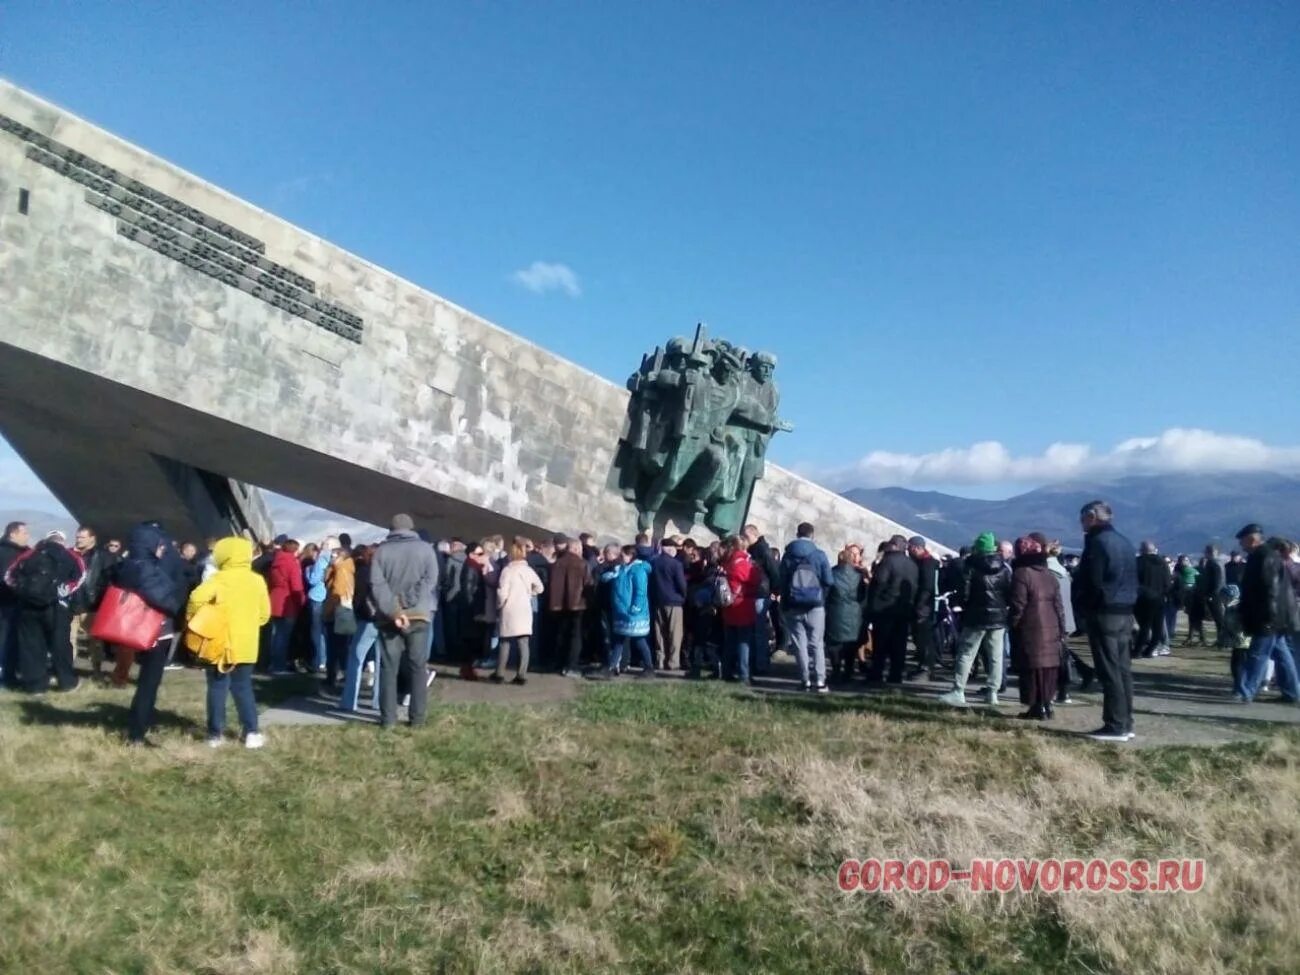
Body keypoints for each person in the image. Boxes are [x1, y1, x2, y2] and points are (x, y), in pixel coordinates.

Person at [185, 537, 271, 748]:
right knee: (243, 687)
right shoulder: (257, 580)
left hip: (219, 642)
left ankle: (215, 735)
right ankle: (251, 732)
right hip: (247, 645)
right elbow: (265, 615)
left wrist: (193, 618)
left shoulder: (218, 579)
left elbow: (196, 598)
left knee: (216, 687)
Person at [111, 523, 185, 745]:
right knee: (149, 682)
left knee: (140, 675)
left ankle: (139, 719)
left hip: (127, 627)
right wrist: (179, 608)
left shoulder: (125, 565)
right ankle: (137, 731)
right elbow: (167, 600)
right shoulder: (150, 568)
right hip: (155, 631)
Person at [1073, 501, 1138, 742]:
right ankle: (1126, 721)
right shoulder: (1124, 541)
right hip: (1125, 611)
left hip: (1104, 611)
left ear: (1091, 517)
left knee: (1108, 670)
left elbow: (1093, 580)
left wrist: (1085, 606)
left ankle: (1116, 724)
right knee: (1122, 670)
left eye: (1082, 520)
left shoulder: (1097, 543)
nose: (1081, 525)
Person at [368, 514, 440, 729]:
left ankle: (388, 719)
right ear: (411, 528)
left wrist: (394, 609)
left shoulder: (381, 551)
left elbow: (376, 585)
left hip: (389, 619)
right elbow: (430, 580)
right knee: (418, 667)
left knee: (389, 668)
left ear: (391, 529)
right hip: (419, 615)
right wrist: (408, 602)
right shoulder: (426, 550)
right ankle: (417, 719)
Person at [4, 530, 86, 693]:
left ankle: (35, 686)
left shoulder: (29, 554)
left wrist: (23, 592)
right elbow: (81, 576)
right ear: (62, 541)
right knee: (60, 645)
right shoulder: (71, 556)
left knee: (31, 646)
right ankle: (67, 682)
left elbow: (9, 576)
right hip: (56, 606)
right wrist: (62, 591)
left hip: (27, 607)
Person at [938, 532, 1011, 708]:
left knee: (966, 653)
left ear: (977, 548)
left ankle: (958, 690)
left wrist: (961, 605)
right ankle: (993, 692)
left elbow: (965, 593)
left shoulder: (970, 566)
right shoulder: (1004, 568)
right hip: (998, 618)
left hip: (975, 617)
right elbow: (1009, 593)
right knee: (996, 655)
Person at [1233, 524, 1300, 704]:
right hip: (1275, 615)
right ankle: (1292, 692)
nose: (1241, 545)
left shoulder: (1264, 557)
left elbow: (1270, 589)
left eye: (1243, 541)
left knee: (1258, 653)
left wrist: (1269, 617)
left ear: (1252, 540)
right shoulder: (1264, 556)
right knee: (1281, 654)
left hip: (1267, 615)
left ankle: (1245, 691)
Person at [1008, 534, 1067, 720]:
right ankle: (1047, 705)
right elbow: (1059, 605)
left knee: (1032, 670)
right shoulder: (1049, 575)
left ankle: (1036, 707)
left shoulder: (1022, 574)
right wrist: (1061, 628)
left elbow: (1018, 604)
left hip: (1031, 627)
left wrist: (1014, 624)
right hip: (1052, 626)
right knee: (1048, 669)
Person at [780, 522, 834, 692]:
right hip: (815, 605)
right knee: (816, 644)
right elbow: (829, 580)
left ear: (797, 534)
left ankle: (805, 680)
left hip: (793, 604)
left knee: (799, 644)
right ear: (812, 535)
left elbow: (782, 580)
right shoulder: (819, 555)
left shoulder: (788, 555)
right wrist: (820, 596)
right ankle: (820, 681)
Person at [864, 535, 919, 686]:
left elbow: (880, 582)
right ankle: (896, 674)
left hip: (885, 609)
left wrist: (873, 603)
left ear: (894, 545)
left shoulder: (887, 561)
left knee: (880, 643)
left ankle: (876, 674)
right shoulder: (912, 564)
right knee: (899, 644)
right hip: (904, 609)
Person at [494, 541, 544, 684]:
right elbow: (540, 588)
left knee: (505, 642)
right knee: (523, 642)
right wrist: (530, 593)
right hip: (524, 609)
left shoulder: (507, 571)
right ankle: (521, 675)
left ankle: (499, 673)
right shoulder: (528, 571)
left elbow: (502, 592)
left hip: (509, 608)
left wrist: (499, 605)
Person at [341, 544, 382, 712]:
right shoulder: (386, 572)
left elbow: (359, 597)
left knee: (356, 658)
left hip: (367, 620)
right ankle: (379, 701)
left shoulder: (363, 572)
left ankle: (349, 701)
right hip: (386, 620)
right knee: (383, 662)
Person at [604, 545, 654, 678]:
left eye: (623, 555)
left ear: (630, 556)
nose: (621, 557)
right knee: (618, 641)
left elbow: (640, 591)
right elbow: (606, 579)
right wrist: (611, 574)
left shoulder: (638, 570)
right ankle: (611, 667)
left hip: (634, 613)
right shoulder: (621, 569)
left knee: (639, 641)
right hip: (621, 611)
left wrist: (635, 607)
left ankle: (649, 668)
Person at [69, 525, 112, 678]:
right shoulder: (70, 554)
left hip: (92, 604)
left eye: (82, 537)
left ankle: (97, 670)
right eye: (77, 537)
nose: (78, 540)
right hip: (72, 603)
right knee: (69, 639)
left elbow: (108, 579)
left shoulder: (103, 556)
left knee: (95, 641)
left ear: (92, 538)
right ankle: (67, 670)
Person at [1045, 539, 1085, 703]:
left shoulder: (1048, 572)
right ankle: (1067, 687)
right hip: (1066, 618)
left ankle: (1061, 688)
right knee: (1063, 654)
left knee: (1057, 657)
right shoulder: (1063, 571)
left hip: (1055, 619)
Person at [721, 535, 763, 685]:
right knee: (744, 642)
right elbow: (755, 579)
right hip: (743, 605)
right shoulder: (742, 563)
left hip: (730, 604)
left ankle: (726, 672)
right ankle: (744, 674)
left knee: (730, 641)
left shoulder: (728, 561)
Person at [547, 535, 591, 677]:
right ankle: (571, 666)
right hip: (577, 605)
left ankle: (558, 663)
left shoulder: (556, 563)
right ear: (576, 548)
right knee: (575, 636)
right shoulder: (582, 564)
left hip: (558, 605)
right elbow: (588, 584)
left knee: (561, 633)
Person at [742, 524, 783, 674]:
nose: (744, 540)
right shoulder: (756, 550)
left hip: (761, 593)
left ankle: (761, 664)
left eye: (746, 537)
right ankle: (756, 661)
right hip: (758, 592)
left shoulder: (762, 551)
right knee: (755, 630)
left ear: (754, 535)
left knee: (759, 630)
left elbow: (774, 571)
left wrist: (776, 590)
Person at [825, 545, 869, 683]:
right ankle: (848, 671)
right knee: (851, 645)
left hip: (835, 613)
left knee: (834, 645)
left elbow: (825, 594)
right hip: (855, 614)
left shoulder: (831, 574)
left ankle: (836, 670)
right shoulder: (859, 576)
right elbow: (864, 596)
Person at [266, 537, 306, 674]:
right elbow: (296, 586)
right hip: (287, 603)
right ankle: (279, 666)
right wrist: (301, 602)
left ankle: (273, 663)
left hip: (274, 599)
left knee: (275, 635)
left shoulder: (276, 561)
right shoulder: (291, 563)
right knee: (284, 636)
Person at [0, 521, 31, 688]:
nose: (27, 536)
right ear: (13, 534)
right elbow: (8, 580)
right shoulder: (7, 553)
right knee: (7, 640)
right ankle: (7, 676)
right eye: (24, 533)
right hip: (8, 602)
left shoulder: (24, 553)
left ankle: (11, 671)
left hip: (14, 602)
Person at [323, 541, 356, 691]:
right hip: (342, 611)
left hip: (337, 612)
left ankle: (335, 677)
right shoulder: (341, 569)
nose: (331, 558)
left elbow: (336, 594)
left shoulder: (341, 571)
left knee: (336, 647)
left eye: (334, 555)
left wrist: (327, 612)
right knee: (341, 647)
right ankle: (340, 674)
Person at [907, 536, 941, 680]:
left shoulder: (926, 564)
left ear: (916, 548)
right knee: (921, 637)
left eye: (910, 548)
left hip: (924, 607)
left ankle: (926, 667)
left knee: (923, 638)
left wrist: (920, 605)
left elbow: (927, 587)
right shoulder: (926, 562)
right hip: (925, 605)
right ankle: (925, 665)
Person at [650, 538, 688, 670]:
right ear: (670, 548)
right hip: (674, 602)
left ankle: (660, 660)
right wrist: (684, 596)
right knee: (675, 633)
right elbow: (682, 585)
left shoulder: (653, 562)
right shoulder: (676, 564)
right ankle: (673, 662)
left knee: (659, 632)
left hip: (658, 601)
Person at [1135, 541, 1172, 658]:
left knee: (1144, 626)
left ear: (1142, 550)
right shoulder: (1162, 562)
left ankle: (1137, 651)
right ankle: (1150, 649)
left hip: (1143, 598)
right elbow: (1167, 581)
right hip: (1159, 597)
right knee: (1157, 627)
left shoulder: (1138, 562)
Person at [305, 537, 336, 673]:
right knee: (327, 632)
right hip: (330, 598)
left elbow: (313, 579)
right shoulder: (337, 560)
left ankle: (318, 660)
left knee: (316, 631)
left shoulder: (321, 559)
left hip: (317, 596)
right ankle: (327, 660)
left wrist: (308, 571)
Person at [1197, 545, 1227, 647]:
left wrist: (1212, 594)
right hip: (1214, 593)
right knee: (1218, 618)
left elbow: (1218, 580)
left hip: (1215, 595)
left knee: (1219, 618)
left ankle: (1222, 640)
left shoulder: (1214, 563)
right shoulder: (1215, 562)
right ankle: (1221, 639)